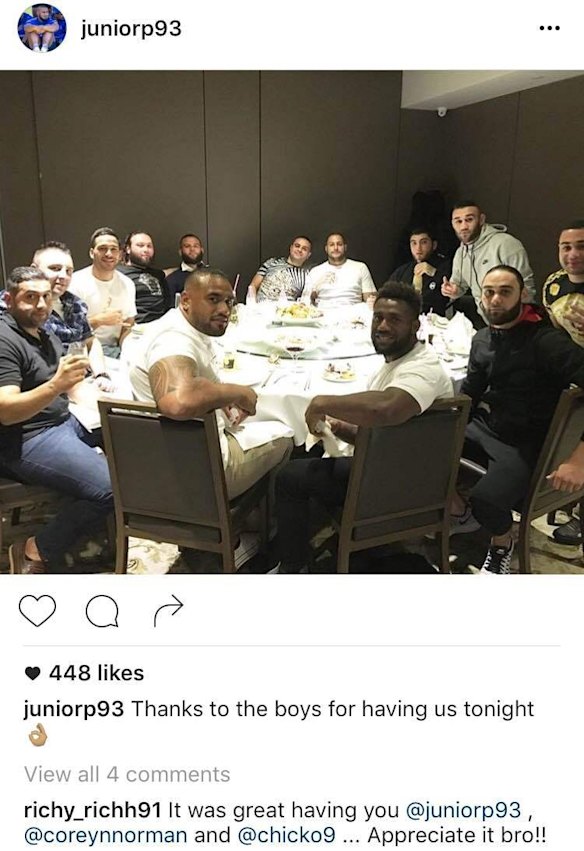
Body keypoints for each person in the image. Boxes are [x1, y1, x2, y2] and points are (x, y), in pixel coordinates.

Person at [273, 281, 453, 573]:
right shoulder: (396, 363)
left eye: (395, 319)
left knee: (290, 477)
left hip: (398, 487)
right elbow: (386, 435)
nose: (382, 326)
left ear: (415, 326)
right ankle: (296, 548)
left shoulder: (423, 369)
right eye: (378, 317)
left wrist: (322, 403)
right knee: (303, 455)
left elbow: (389, 408)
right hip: (390, 466)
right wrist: (339, 427)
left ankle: (292, 567)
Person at [451, 265, 584, 574]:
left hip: (526, 442)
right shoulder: (483, 338)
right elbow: (470, 394)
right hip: (487, 427)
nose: (495, 299)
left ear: (523, 295)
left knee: (487, 501)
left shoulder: (546, 342)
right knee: (422, 448)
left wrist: (579, 459)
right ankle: (459, 513)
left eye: (505, 292)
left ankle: (501, 542)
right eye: (489, 292)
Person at [129, 267, 292, 499]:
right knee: (286, 433)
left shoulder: (178, 326)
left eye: (229, 302)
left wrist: (220, 398)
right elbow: (178, 401)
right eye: (213, 299)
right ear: (185, 300)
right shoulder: (172, 339)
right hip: (199, 471)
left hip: (157, 461)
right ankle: (257, 521)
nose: (224, 310)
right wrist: (238, 393)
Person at [0, 266, 113, 574]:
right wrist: (56, 385)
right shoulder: (4, 340)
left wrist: (113, 405)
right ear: (9, 300)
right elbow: (6, 411)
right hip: (25, 438)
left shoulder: (45, 331)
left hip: (63, 421)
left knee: (129, 437)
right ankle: (33, 551)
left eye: (45, 297)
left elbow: (70, 387)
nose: (40, 305)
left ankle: (116, 527)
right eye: (30, 297)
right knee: (112, 488)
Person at [541, 220, 584, 545]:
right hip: (566, 373)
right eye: (565, 247)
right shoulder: (554, 284)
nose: (572, 254)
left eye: (581, 246)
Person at [441, 201, 536, 325]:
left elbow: (527, 288)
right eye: (458, 221)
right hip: (489, 322)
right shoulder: (460, 252)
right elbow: (459, 286)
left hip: (516, 323)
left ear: (481, 219)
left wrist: (519, 325)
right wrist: (453, 291)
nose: (463, 226)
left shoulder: (506, 244)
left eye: (469, 219)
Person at [70, 227, 136, 358]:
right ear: (91, 253)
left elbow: (128, 325)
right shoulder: (76, 282)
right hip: (84, 349)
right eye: (102, 248)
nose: (109, 254)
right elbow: (69, 329)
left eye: (113, 249)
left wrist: (127, 353)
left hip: (116, 349)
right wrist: (99, 320)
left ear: (120, 254)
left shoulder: (127, 283)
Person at [388, 228, 451, 315]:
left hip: (434, 319)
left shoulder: (446, 266)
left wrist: (435, 273)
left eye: (424, 242)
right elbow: (387, 291)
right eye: (414, 243)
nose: (418, 248)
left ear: (434, 245)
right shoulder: (403, 270)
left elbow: (452, 292)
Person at [304, 233, 376, 307]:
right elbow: (305, 300)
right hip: (323, 314)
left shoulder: (360, 267)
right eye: (331, 245)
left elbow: (370, 299)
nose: (335, 248)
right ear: (326, 249)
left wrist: (372, 301)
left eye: (339, 244)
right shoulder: (315, 271)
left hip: (354, 313)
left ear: (345, 247)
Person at [118, 231, 170, 324]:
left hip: (163, 325)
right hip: (137, 325)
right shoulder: (119, 273)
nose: (146, 250)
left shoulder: (157, 274)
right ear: (128, 249)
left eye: (149, 246)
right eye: (140, 245)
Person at [248, 237, 312, 302]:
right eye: (297, 246)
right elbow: (253, 286)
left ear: (308, 255)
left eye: (304, 249)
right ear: (291, 248)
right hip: (260, 308)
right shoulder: (271, 262)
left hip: (285, 310)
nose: (299, 250)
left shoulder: (308, 275)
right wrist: (253, 305)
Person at [166, 234, 209, 303]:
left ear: (202, 250)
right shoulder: (172, 280)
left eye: (196, 246)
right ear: (180, 252)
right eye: (187, 246)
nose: (192, 249)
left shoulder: (213, 274)